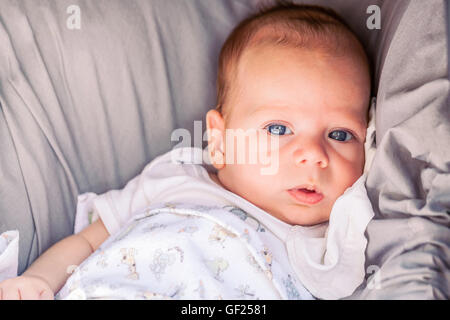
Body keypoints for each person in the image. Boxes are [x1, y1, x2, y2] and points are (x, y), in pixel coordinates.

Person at [0, 2, 374, 300]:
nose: (312, 155)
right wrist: (38, 280)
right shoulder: (174, 178)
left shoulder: (337, 237)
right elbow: (86, 241)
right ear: (220, 140)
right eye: (278, 129)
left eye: (340, 134)